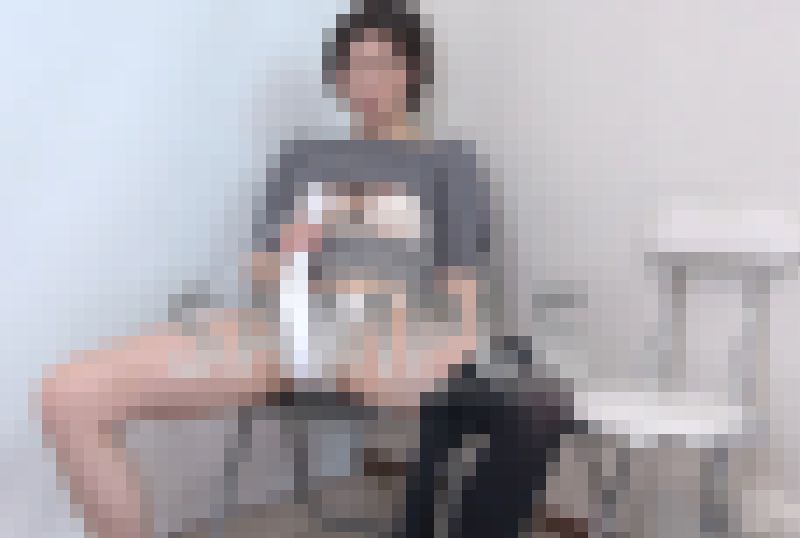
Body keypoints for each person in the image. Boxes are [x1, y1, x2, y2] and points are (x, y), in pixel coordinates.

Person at [38, 1, 578, 536]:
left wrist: (445, 341)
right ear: (337, 78)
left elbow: (460, 289)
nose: (366, 81)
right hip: (280, 331)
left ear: (413, 72)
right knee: (70, 395)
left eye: (382, 64)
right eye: (353, 66)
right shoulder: (302, 158)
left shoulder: (448, 162)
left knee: (537, 402)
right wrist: (297, 258)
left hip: (392, 334)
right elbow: (261, 272)